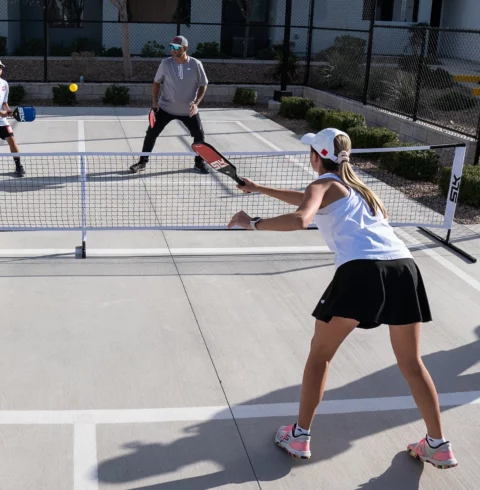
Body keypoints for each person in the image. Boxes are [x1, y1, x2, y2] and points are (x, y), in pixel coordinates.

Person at [227, 128, 458, 469]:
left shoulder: (321, 186)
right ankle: (438, 445)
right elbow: (312, 199)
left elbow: (302, 216)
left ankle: (300, 435)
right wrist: (258, 188)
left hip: (361, 274)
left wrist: (253, 223)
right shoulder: (363, 191)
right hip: (404, 270)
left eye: (311, 151)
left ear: (317, 156)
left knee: (319, 355)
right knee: (411, 363)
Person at [130, 35, 209, 174]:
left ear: (185, 48)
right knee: (151, 134)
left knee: (199, 135)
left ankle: (199, 163)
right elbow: (156, 82)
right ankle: (142, 163)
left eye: (176, 47)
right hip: (165, 108)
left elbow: (204, 85)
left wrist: (196, 104)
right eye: (171, 47)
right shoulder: (165, 63)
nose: (172, 50)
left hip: (188, 110)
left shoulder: (196, 64)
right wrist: (154, 101)